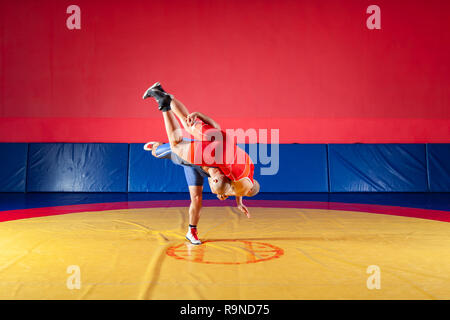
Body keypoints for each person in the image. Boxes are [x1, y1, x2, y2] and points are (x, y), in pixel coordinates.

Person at [142, 82, 260, 242]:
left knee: (188, 123)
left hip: (217, 145)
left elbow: (240, 188)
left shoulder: (248, 170)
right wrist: (227, 194)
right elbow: (236, 189)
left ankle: (192, 232)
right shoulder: (226, 173)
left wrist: (237, 200)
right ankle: (163, 107)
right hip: (202, 156)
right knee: (172, 145)